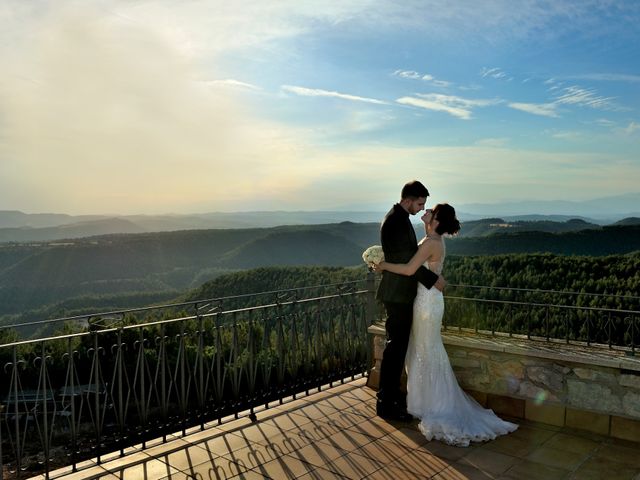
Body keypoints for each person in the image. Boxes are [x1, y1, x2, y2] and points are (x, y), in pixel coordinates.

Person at [377, 203, 518, 446]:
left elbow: (411, 268)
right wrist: (426, 223)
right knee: (425, 347)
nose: (427, 211)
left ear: (438, 221)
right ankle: (425, 400)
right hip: (429, 299)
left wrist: (383, 265)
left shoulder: (432, 242)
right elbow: (425, 251)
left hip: (425, 304)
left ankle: (430, 403)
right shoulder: (434, 238)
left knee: (425, 349)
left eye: (431, 210)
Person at [375, 180, 446, 422]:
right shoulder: (395, 220)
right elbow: (407, 261)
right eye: (419, 203)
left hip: (400, 293)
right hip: (397, 294)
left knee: (398, 348)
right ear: (407, 199)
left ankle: (392, 398)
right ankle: (386, 403)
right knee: (395, 349)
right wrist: (433, 278)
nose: (421, 208)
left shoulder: (399, 217)